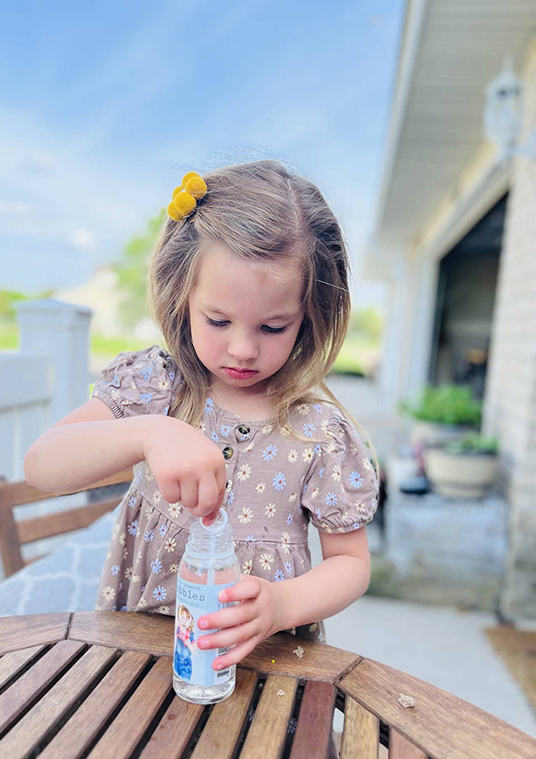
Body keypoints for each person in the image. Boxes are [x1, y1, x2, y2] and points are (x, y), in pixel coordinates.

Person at [24, 159, 380, 672]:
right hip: (135, 659)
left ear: (309, 318)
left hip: (262, 667)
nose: (242, 348)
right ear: (182, 298)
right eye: (217, 320)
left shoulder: (318, 433)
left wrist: (282, 605)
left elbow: (350, 563)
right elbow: (42, 465)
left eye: (273, 327)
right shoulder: (159, 387)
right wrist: (150, 431)